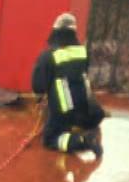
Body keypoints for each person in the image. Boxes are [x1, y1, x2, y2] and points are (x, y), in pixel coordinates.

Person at [31, 12, 106, 157]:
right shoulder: (83, 52)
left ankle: (83, 142)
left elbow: (38, 85)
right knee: (81, 120)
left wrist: (40, 99)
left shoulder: (48, 56)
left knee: (50, 138)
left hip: (65, 111)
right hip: (87, 108)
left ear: (56, 32)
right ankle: (84, 129)